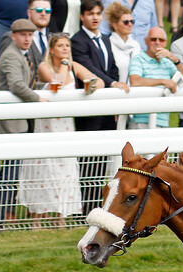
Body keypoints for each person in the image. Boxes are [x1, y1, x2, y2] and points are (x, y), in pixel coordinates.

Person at [20, 33, 95, 228]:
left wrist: (89, 86)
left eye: (67, 46)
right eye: (60, 45)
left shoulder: (73, 66)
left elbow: (95, 80)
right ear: (51, 49)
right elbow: (58, 83)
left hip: (65, 125)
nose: (65, 49)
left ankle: (61, 216)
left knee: (65, 168)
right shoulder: (45, 66)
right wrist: (65, 64)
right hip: (47, 125)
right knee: (43, 166)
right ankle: (37, 216)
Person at [0, 19, 49, 228]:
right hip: (9, 123)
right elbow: (17, 85)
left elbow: (27, 84)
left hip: (16, 121)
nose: (27, 39)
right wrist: (39, 99)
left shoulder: (19, 55)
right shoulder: (11, 56)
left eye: (30, 35)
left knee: (11, 172)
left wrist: (47, 86)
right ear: (13, 36)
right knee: (9, 173)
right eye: (23, 35)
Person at [71, 0, 129, 215]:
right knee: (88, 162)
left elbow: (111, 67)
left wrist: (114, 84)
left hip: (106, 109)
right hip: (89, 109)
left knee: (103, 161)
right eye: (90, 14)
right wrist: (113, 83)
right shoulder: (77, 41)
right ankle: (87, 209)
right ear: (82, 17)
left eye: (98, 13)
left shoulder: (104, 39)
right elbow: (90, 68)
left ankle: (98, 206)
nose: (95, 18)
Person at [127, 26, 183, 128]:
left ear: (165, 43)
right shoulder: (138, 59)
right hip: (142, 120)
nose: (157, 42)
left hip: (163, 120)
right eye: (153, 39)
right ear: (146, 41)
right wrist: (163, 81)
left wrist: (175, 59)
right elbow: (135, 81)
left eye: (161, 40)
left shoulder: (167, 62)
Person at [0, 0, 52, 71]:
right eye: (39, 10)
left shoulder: (53, 38)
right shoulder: (12, 37)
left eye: (48, 11)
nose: (43, 14)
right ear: (29, 13)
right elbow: (2, 70)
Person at [104, 1, 141, 82]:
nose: (130, 24)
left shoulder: (136, 45)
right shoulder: (107, 44)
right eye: (126, 22)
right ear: (115, 25)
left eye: (132, 21)